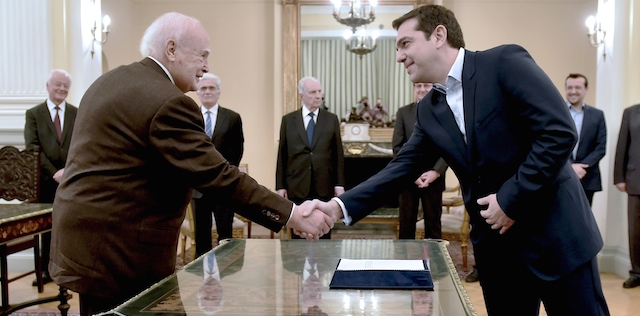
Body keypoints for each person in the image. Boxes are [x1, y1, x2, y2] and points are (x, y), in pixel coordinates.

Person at [311, 5, 609, 315]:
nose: (399, 56)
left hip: (558, 236)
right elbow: (401, 168)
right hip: (497, 251)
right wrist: (336, 208)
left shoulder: (504, 63)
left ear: (439, 35)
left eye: (405, 44)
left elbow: (558, 133)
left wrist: (510, 200)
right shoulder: (429, 110)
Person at [49, 12, 333, 316]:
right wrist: (293, 215)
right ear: (171, 50)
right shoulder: (169, 102)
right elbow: (219, 176)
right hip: (120, 249)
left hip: (86, 242)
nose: (207, 66)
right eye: (202, 55)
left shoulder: (110, 80)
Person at [24, 69, 77, 286]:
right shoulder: (34, 114)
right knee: (47, 228)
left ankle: (68, 270)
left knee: (70, 226)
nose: (62, 89)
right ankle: (45, 271)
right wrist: (53, 173)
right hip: (45, 182)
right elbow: (32, 147)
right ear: (48, 85)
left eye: (65, 85)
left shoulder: (77, 112)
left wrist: (67, 171)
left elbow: (80, 144)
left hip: (71, 179)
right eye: (58, 84)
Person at [276, 76, 345, 239]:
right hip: (297, 184)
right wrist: (280, 186)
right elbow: (282, 155)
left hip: (324, 184)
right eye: (313, 92)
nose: (318, 96)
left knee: (324, 231)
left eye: (320, 92)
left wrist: (339, 184)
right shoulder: (288, 120)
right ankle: (297, 265)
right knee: (298, 233)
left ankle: (324, 265)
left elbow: (338, 155)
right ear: (302, 96)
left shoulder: (331, 119)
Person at [192, 73, 244, 257]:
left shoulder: (232, 118)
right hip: (198, 188)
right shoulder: (190, 118)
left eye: (211, 88)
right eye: (203, 88)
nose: (207, 92)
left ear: (219, 92)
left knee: (225, 239)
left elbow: (237, 152)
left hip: (224, 187)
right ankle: (201, 281)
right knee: (201, 239)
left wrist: (225, 176)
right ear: (197, 92)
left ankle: (226, 278)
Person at [392, 82, 447, 240]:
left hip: (434, 179)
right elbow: (397, 148)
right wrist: (412, 174)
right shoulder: (403, 113)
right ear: (414, 89)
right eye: (418, 86)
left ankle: (435, 264)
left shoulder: (444, 112)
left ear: (433, 88)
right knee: (406, 226)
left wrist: (436, 171)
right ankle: (404, 264)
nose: (422, 89)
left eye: (427, 86)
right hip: (408, 179)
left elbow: (449, 146)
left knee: (433, 227)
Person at [565, 73, 607, 206]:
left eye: (578, 87)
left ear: (586, 89)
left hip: (588, 176)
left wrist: (580, 167)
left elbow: (600, 147)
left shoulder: (597, 115)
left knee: (585, 221)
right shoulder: (557, 112)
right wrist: (570, 166)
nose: (573, 91)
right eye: (569, 87)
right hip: (561, 175)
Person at [613, 103, 640, 289]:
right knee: (635, 230)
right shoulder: (630, 112)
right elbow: (622, 145)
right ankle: (637, 272)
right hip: (635, 179)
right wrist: (619, 177)